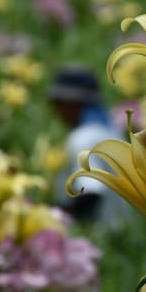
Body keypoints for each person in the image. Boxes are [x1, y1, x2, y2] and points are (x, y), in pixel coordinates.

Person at [48, 64, 124, 226]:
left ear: (73, 104)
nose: (57, 112)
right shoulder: (114, 134)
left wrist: (55, 215)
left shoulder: (82, 139)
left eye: (59, 104)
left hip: (100, 236)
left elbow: (92, 192)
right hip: (124, 234)